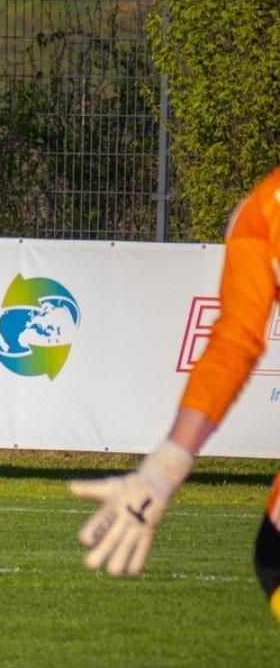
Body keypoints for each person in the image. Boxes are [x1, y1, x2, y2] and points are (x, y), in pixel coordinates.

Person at [70, 165, 280, 624]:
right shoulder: (266, 211)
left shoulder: (266, 208)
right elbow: (235, 344)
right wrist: (165, 466)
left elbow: (235, 343)